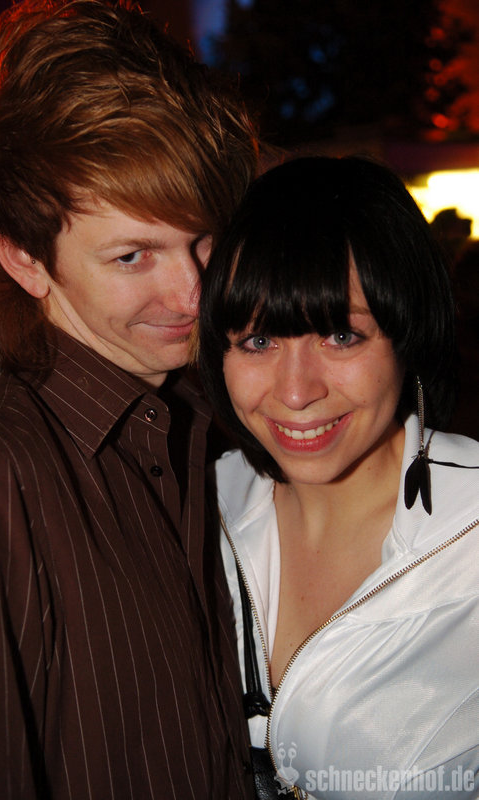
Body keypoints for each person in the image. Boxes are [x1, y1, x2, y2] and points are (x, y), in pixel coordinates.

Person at [0, 1, 259, 798]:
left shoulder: (217, 427)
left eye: (204, 239)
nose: (192, 291)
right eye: (132, 256)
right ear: (24, 259)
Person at [198, 156, 479, 799]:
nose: (296, 392)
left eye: (341, 336)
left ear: (408, 334)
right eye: (258, 341)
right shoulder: (196, 505)